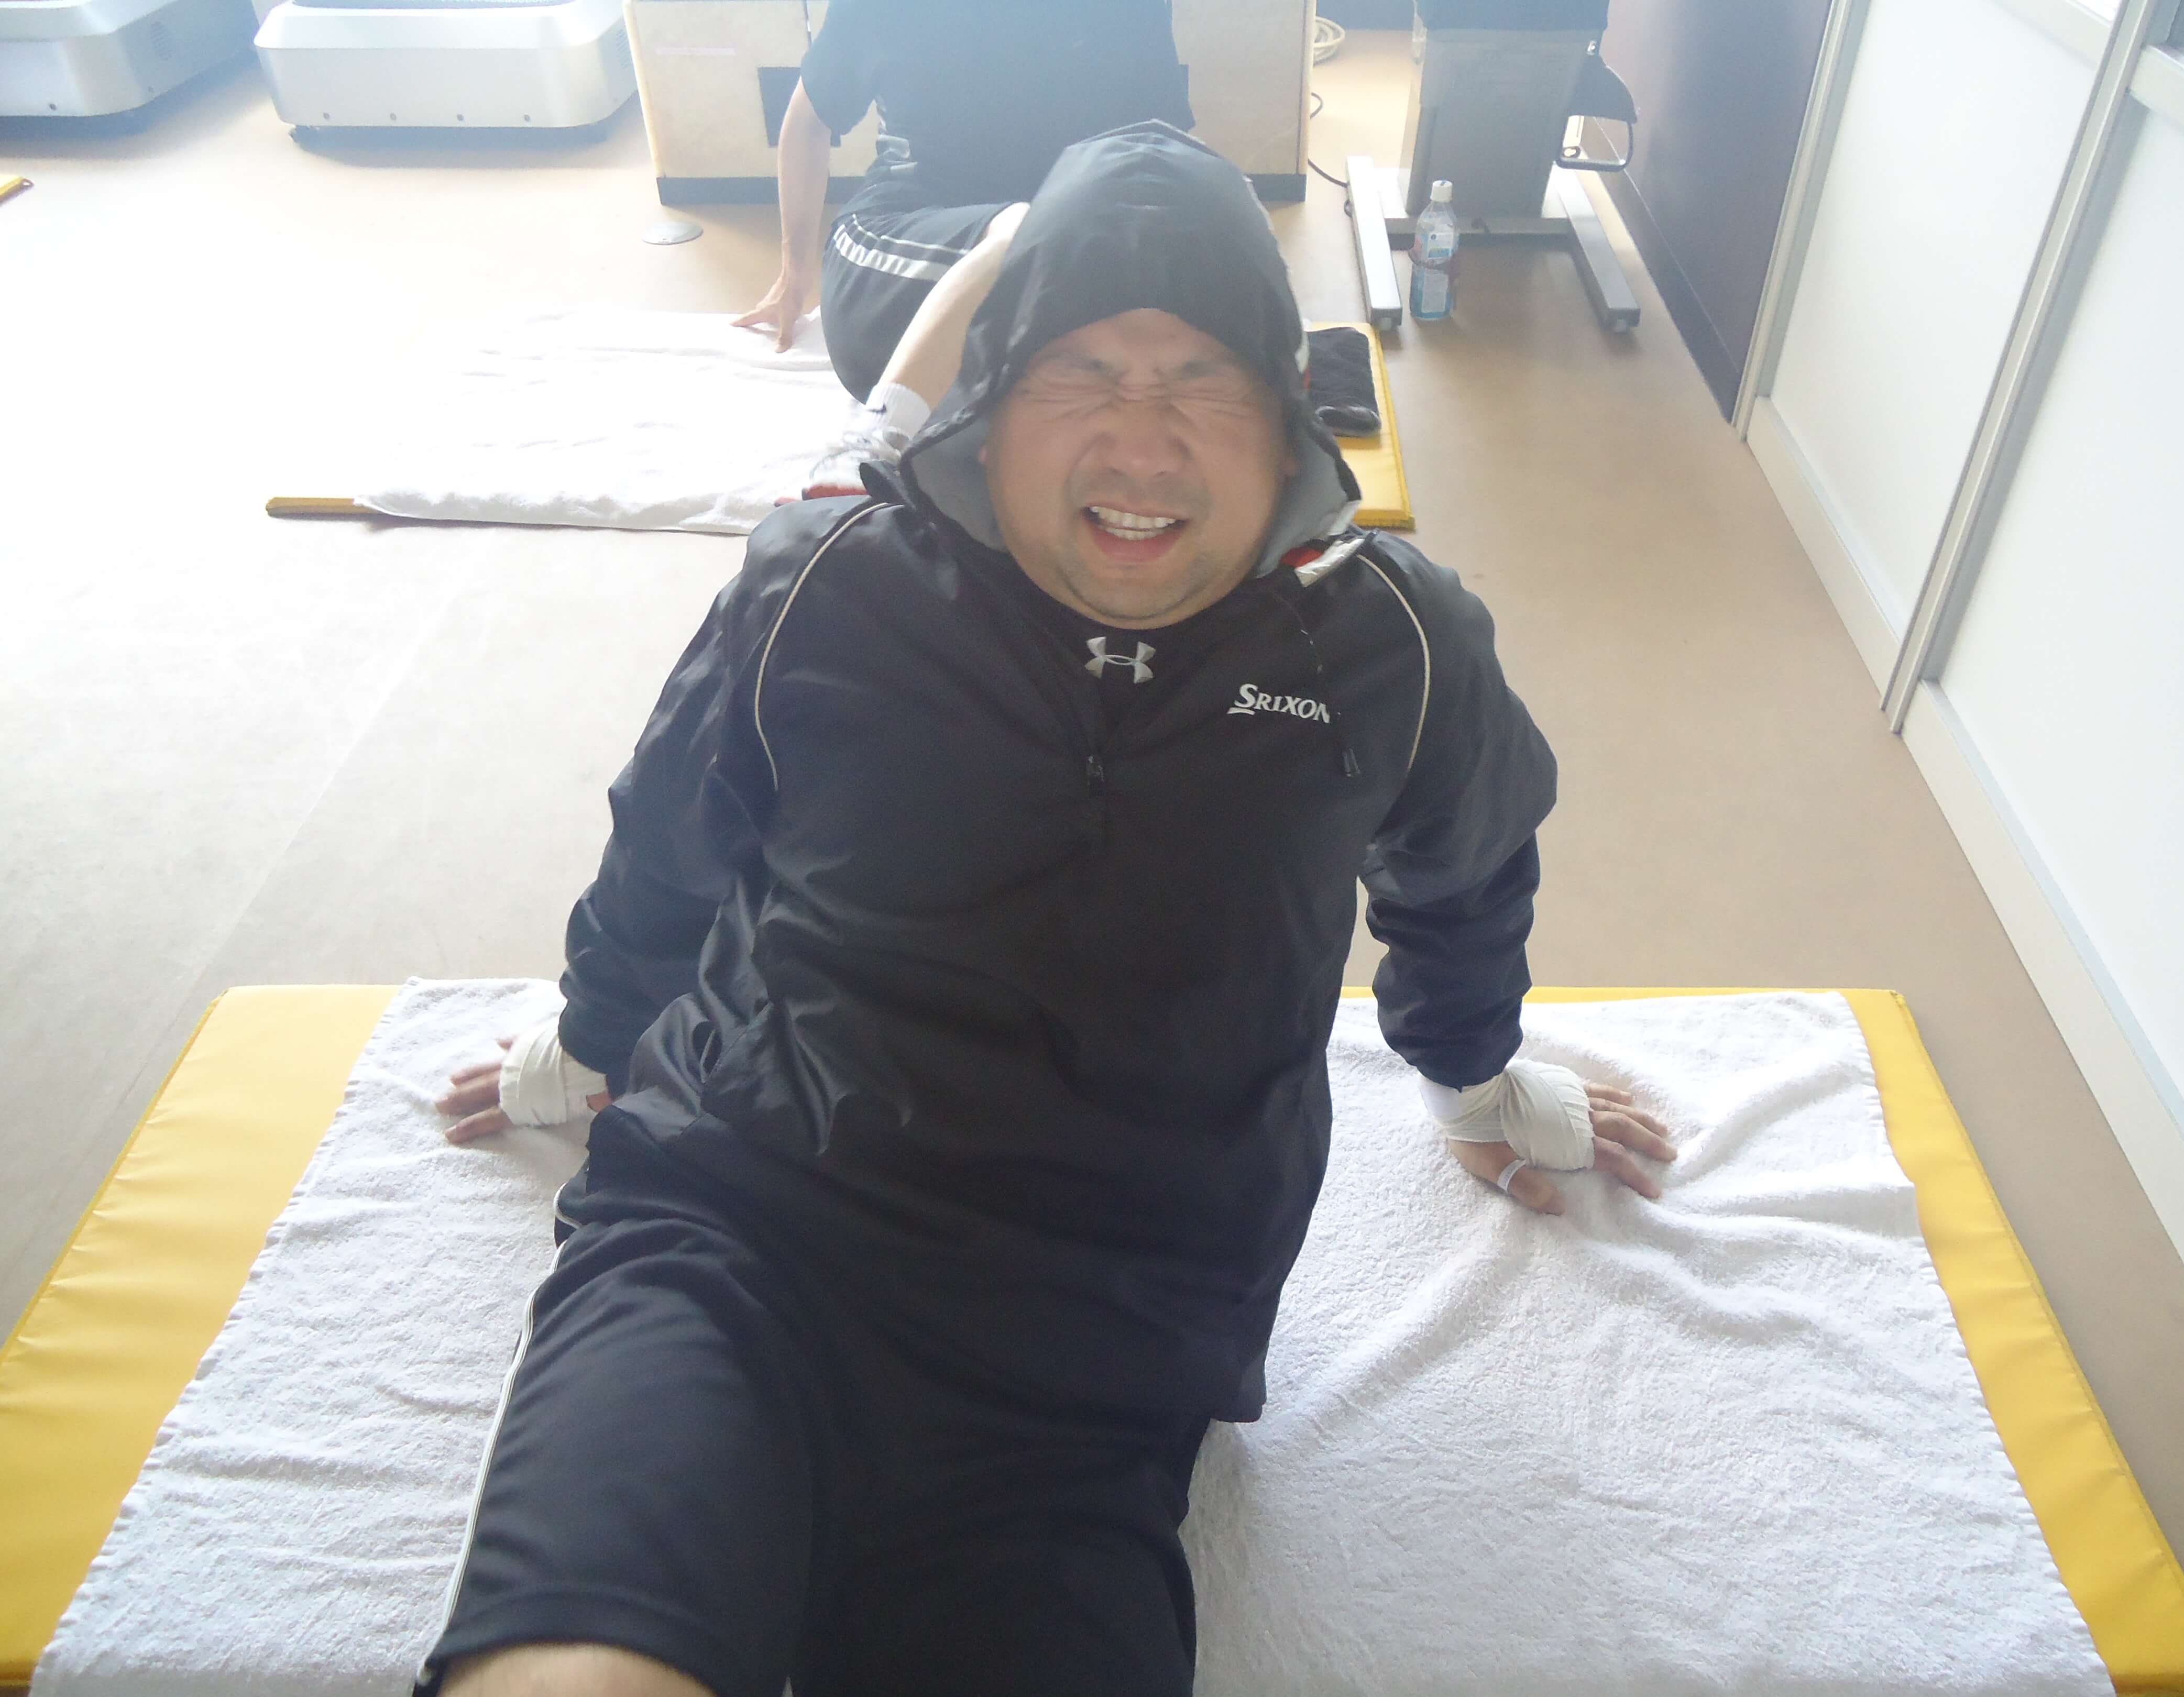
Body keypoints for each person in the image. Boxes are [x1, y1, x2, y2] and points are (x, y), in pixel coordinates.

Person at [424, 124, 1674, 1697]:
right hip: (736, 1235)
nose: (1140, 443)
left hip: (1101, 1339)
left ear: (1287, 414)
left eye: (1203, 378)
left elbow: (1467, 873)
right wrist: (595, 1034)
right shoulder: (830, 582)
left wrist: (1472, 1074)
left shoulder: (1392, 647)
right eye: (1080, 370)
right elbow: (672, 839)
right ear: (992, 402)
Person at [731, 0, 1196, 498]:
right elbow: (809, 119)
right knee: (1028, 230)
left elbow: (1160, 148)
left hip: (1054, 273)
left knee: (1095, 254)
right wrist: (794, 274)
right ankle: (876, 446)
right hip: (898, 268)